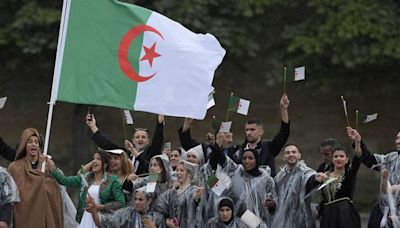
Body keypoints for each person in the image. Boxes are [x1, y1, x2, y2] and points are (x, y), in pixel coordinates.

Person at [49, 150, 125, 227]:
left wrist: (99, 207)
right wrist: (53, 168)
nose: (94, 161)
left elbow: (121, 203)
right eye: (93, 159)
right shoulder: (85, 178)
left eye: (98, 159)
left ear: (105, 164)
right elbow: (64, 180)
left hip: (102, 220)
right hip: (84, 219)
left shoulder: (113, 181)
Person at [8, 128, 63, 228]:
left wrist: (47, 179)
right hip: (25, 218)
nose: (33, 144)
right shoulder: (15, 167)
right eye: (29, 142)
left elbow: (57, 189)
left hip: (45, 216)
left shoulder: (47, 166)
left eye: (36, 142)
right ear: (24, 145)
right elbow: (11, 194)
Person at [86, 113, 164, 175]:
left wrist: (160, 124)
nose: (140, 139)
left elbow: (157, 140)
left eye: (143, 137)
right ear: (133, 141)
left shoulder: (151, 153)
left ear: (148, 141)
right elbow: (108, 145)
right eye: (137, 137)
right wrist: (93, 126)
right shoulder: (125, 153)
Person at [272, 143, 327, 228]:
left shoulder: (304, 172)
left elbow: (309, 180)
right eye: (288, 152)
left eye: (294, 152)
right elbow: (275, 198)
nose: (291, 154)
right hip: (283, 221)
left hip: (302, 221)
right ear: (283, 157)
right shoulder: (279, 177)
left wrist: (315, 179)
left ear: (299, 155)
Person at [234, 93, 290, 176]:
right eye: (247, 130)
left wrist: (283, 109)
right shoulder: (238, 151)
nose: (249, 132)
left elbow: (284, 133)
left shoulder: (269, 147)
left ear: (261, 132)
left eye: (252, 130)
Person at [355, 129, 400, 227]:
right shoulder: (392, 157)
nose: (397, 141)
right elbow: (370, 160)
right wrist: (358, 142)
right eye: (397, 138)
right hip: (386, 210)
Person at [319, 128, 362, 228]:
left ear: (346, 159)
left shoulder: (349, 174)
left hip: (344, 213)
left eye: (342, 156)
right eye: (336, 156)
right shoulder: (324, 174)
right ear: (332, 159)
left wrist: (357, 142)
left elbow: (357, 158)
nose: (338, 158)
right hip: (327, 215)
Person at [229, 148, 277, 226]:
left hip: (259, 223)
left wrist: (272, 204)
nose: (247, 161)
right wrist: (208, 178)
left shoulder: (266, 180)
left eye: (250, 158)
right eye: (244, 158)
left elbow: (275, 204)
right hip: (239, 223)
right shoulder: (236, 176)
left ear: (257, 160)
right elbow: (223, 191)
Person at [153, 160, 203, 227]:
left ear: (189, 174)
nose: (178, 173)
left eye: (181, 170)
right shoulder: (172, 191)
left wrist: (197, 196)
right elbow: (158, 204)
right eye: (177, 170)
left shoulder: (193, 190)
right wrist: (167, 221)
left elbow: (195, 198)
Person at [88, 187, 162, 228]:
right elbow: (102, 221)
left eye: (140, 200)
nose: (136, 202)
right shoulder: (127, 213)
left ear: (149, 201)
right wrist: (94, 210)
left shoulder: (158, 218)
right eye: (135, 199)